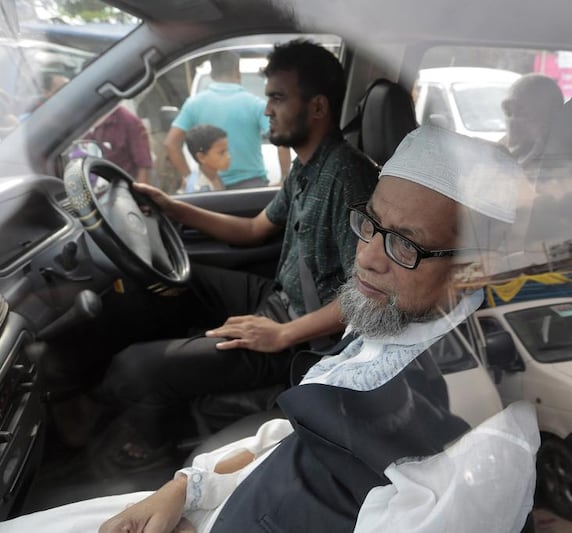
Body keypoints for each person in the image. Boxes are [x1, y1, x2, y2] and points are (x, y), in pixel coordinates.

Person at [0, 125, 538, 533]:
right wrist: (187, 487)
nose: (368, 258)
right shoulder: (402, 321)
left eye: (405, 243)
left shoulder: (483, 449)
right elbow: (302, 432)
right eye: (370, 224)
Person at [94, 39, 379, 468]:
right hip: (280, 296)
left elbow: (366, 292)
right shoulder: (307, 166)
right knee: (176, 281)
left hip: (302, 336)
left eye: (277, 98)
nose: (266, 110)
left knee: (134, 368)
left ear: (317, 108)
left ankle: (149, 451)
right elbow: (252, 230)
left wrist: (280, 334)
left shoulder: (348, 178)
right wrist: (172, 206)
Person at [164, 50, 289, 189]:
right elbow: (282, 140)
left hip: (210, 187)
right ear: (237, 72)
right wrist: (284, 178)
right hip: (251, 187)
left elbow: (171, 143)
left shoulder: (193, 104)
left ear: (212, 74)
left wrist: (189, 178)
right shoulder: (255, 104)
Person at [500, 73, 563, 172]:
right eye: (508, 112)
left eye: (523, 114)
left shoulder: (559, 160)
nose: (512, 121)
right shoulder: (503, 147)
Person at [86, 105, 154, 183]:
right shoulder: (84, 121)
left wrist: (138, 192)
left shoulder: (128, 121)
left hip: (122, 187)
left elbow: (143, 166)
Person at [182, 124, 230, 192]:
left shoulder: (216, 175)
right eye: (221, 153)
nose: (228, 156)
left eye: (227, 151)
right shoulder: (197, 188)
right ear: (201, 157)